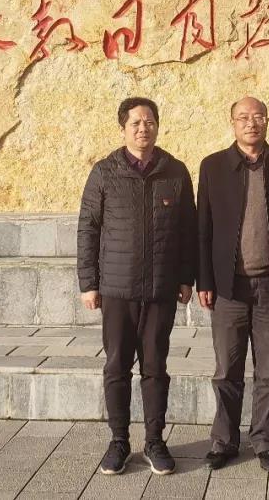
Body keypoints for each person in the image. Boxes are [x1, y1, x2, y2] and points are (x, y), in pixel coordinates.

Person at [77, 97, 197, 477]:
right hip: (117, 289)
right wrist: (88, 283)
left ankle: (155, 441)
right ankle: (119, 441)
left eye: (150, 122)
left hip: (161, 289)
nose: (143, 128)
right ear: (123, 129)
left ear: (157, 126)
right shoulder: (105, 172)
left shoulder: (175, 171)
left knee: (156, 367)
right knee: (116, 367)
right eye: (136, 123)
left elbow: (188, 230)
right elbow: (88, 228)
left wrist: (186, 277)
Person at [196, 96, 269, 472]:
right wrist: (204, 279)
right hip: (229, 287)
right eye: (243, 117)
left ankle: (266, 442)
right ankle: (224, 441)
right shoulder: (213, 166)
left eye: (258, 116)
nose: (251, 123)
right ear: (233, 123)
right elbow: (203, 227)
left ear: (267, 120)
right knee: (227, 369)